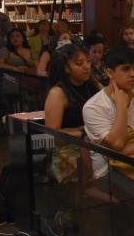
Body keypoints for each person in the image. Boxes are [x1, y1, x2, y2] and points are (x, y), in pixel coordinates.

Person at [82, 46, 134, 182]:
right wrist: (121, 106)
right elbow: (118, 143)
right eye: (126, 69)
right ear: (109, 73)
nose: (133, 74)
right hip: (109, 174)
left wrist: (128, 150)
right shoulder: (93, 107)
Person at [43, 43, 101, 182]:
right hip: (69, 150)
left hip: (94, 142)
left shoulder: (92, 84)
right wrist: (84, 133)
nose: (87, 66)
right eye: (79, 63)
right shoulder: (57, 93)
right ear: (66, 68)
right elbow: (52, 134)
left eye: (88, 61)